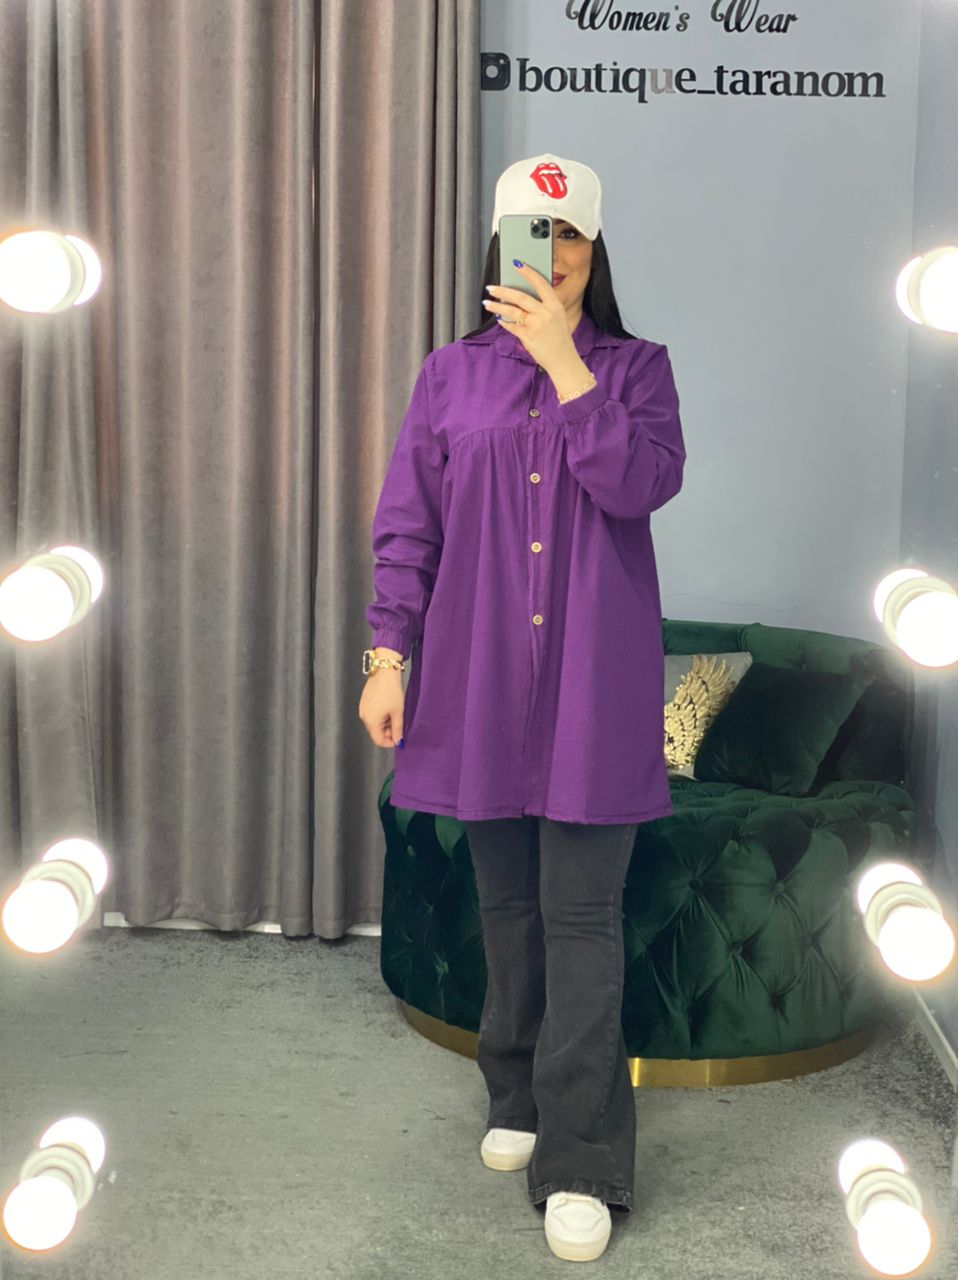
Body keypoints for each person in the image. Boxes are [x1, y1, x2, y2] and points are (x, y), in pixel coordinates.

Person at [360, 152, 686, 1263]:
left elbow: (640, 486)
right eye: (533, 233)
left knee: (582, 920)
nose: (553, 255)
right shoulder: (449, 376)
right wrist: (388, 657)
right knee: (506, 907)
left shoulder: (637, 371)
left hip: (595, 690)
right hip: (478, 683)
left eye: (570, 234)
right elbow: (409, 524)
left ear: (596, 251)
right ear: (499, 245)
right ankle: (515, 1092)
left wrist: (565, 365)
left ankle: (583, 1159)